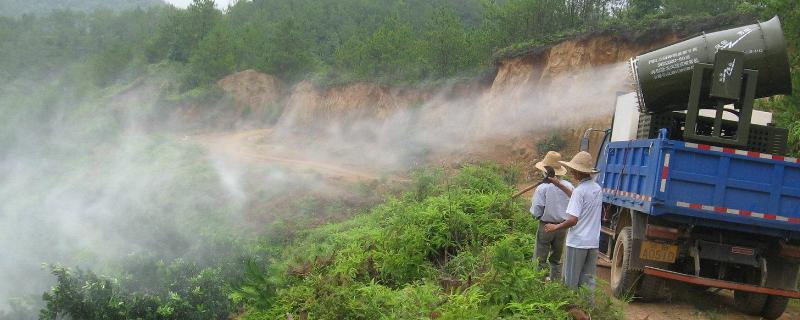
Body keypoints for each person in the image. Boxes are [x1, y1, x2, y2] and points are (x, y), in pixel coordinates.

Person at [543, 151, 602, 291]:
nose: (571, 172)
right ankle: (588, 309)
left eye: (573, 170)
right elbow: (578, 198)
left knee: (570, 283)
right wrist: (558, 184)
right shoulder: (597, 189)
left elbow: (573, 220)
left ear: (578, 172)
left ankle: (570, 311)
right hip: (592, 243)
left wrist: (555, 227)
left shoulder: (580, 191)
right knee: (588, 282)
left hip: (577, 243)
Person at [530, 151, 573, 282]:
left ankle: (539, 284)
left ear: (545, 172)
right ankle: (555, 284)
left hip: (546, 226)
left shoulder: (542, 188)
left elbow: (537, 208)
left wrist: (535, 216)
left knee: (540, 258)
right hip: (562, 227)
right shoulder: (569, 186)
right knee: (556, 258)